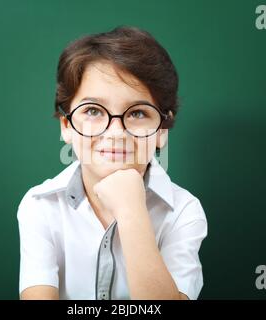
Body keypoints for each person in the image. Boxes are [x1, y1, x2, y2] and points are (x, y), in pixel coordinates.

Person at [17, 26, 208, 300]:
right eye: (93, 110)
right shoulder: (40, 206)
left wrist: (131, 210)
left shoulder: (183, 212)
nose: (116, 133)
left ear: (162, 132)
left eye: (138, 113)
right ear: (66, 126)